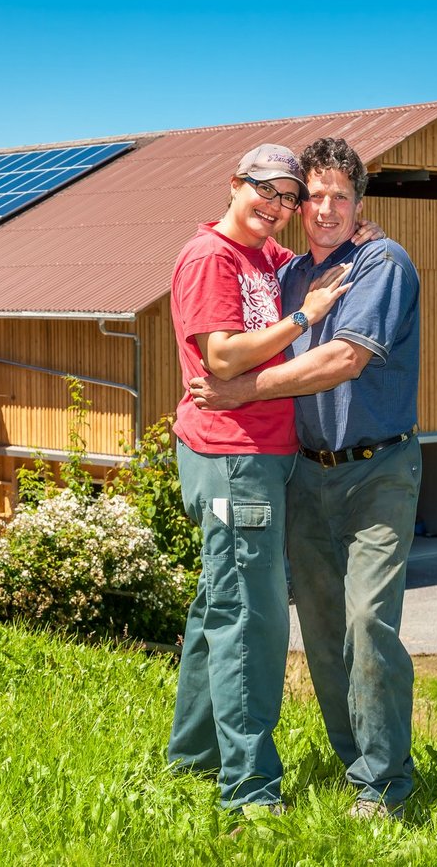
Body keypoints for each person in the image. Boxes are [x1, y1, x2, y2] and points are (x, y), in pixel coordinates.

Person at [189, 137, 421, 819]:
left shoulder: (382, 261)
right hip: (305, 475)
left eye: (339, 198)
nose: (323, 209)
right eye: (312, 196)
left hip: (377, 471)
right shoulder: (290, 276)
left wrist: (243, 391)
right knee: (322, 634)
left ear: (360, 205)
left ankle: (385, 787)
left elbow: (343, 360)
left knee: (369, 623)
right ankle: (358, 766)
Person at [166, 143, 353, 813]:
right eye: (266, 191)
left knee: (220, 604)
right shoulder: (210, 256)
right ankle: (248, 789)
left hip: (261, 455)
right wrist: (304, 317)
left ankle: (190, 758)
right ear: (234, 184)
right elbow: (220, 356)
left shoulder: (264, 257)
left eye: (288, 197)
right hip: (230, 456)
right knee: (252, 616)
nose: (277, 208)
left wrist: (354, 227)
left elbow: (322, 254)